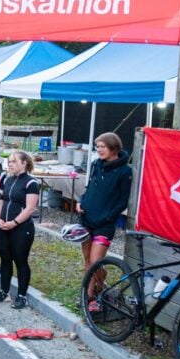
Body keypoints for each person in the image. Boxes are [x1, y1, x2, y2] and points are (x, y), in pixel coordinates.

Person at [77, 132, 132, 313]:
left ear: (113, 148)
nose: (98, 150)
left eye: (102, 146)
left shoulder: (125, 171)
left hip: (105, 224)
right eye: (97, 146)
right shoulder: (96, 165)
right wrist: (81, 202)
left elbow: (123, 201)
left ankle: (91, 297)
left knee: (95, 261)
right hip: (86, 219)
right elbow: (90, 188)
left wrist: (108, 216)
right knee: (87, 259)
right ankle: (93, 291)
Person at [0, 151, 39, 310]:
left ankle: (21, 295)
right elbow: (0, 201)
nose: (10, 164)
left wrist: (14, 222)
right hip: (3, 226)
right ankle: (4, 291)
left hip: (21, 228)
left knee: (20, 260)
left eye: (13, 161)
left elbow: (30, 208)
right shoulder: (6, 178)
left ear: (24, 163)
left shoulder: (31, 182)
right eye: (9, 161)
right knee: (5, 259)